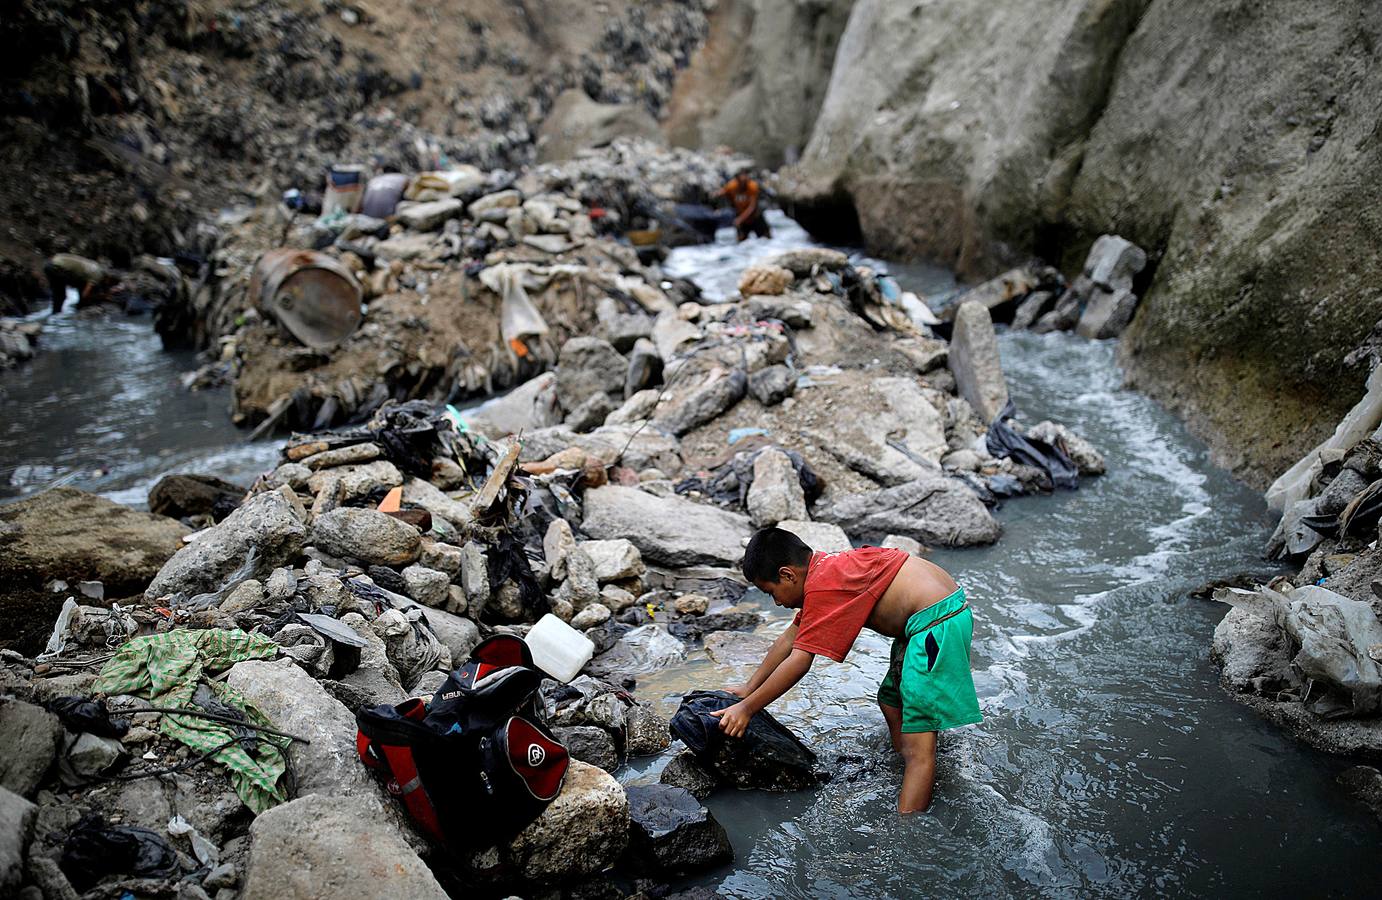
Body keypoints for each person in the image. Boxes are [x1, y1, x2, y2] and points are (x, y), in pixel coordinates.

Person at [714, 527, 982, 813]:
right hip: (928, 618)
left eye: (771, 593)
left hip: (938, 622)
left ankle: (910, 823)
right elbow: (787, 640)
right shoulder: (827, 571)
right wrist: (749, 688)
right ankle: (910, 768)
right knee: (891, 701)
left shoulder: (824, 586)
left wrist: (746, 709)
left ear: (787, 575)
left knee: (919, 747)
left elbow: (799, 662)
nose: (777, 602)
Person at [719, 168, 771, 242]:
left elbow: (752, 207)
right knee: (741, 242)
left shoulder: (752, 186)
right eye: (740, 180)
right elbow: (722, 192)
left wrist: (740, 219)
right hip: (741, 217)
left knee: (766, 239)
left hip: (754, 217)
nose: (743, 182)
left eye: (745, 179)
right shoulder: (732, 186)